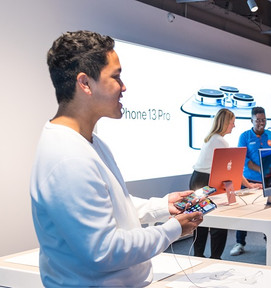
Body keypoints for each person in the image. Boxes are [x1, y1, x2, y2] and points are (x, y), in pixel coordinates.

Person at [30, 30, 203, 287]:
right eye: (116, 77)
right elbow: (104, 251)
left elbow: (110, 207)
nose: (123, 87)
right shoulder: (68, 158)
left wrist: (163, 205)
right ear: (85, 83)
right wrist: (173, 229)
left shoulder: (89, 142)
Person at [190, 108, 260, 259]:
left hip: (197, 180)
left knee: (199, 221)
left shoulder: (211, 138)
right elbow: (232, 169)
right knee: (219, 222)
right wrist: (248, 185)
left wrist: (247, 185)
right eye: (232, 122)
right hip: (206, 182)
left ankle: (198, 256)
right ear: (225, 123)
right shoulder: (220, 141)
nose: (234, 126)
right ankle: (215, 258)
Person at [230, 106, 271, 256]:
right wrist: (260, 169)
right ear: (251, 120)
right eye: (258, 120)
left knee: (269, 211)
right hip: (249, 180)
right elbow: (243, 159)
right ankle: (240, 243)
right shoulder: (245, 136)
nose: (261, 123)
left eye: (263, 120)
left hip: (268, 180)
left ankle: (269, 241)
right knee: (244, 211)